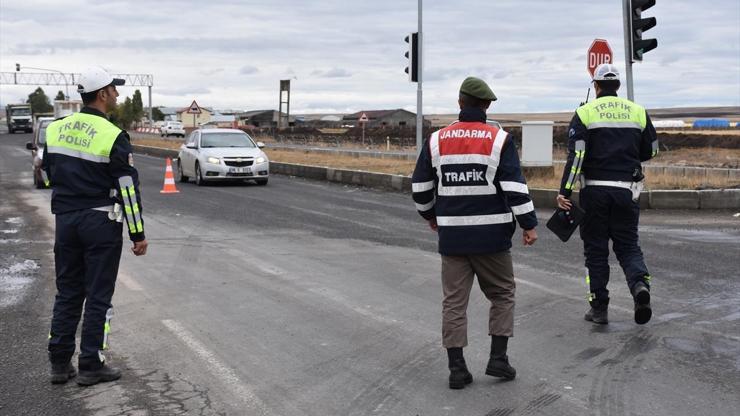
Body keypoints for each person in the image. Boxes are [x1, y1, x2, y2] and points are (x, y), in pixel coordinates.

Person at [412, 77, 538, 390]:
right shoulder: (499, 140)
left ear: (459, 103)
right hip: (492, 239)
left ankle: (457, 369)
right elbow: (514, 188)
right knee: (502, 294)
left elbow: (420, 188)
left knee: (454, 303)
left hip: (452, 237)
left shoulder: (437, 140)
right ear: (487, 105)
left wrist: (431, 215)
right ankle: (498, 359)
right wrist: (528, 224)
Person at [43, 66, 148, 386]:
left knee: (68, 291)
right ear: (102, 94)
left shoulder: (55, 130)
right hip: (100, 220)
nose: (117, 94)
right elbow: (127, 189)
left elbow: (48, 174)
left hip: (66, 220)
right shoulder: (112, 135)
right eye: (114, 90)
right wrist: (137, 232)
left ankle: (59, 364)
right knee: (98, 295)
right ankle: (90, 363)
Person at [556, 63, 658, 326]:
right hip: (626, 191)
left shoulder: (585, 112)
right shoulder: (638, 112)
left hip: (594, 192)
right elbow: (653, 150)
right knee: (628, 246)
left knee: (596, 251)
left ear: (596, 86)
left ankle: (599, 309)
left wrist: (564, 190)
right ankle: (639, 287)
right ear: (618, 87)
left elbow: (577, 155)